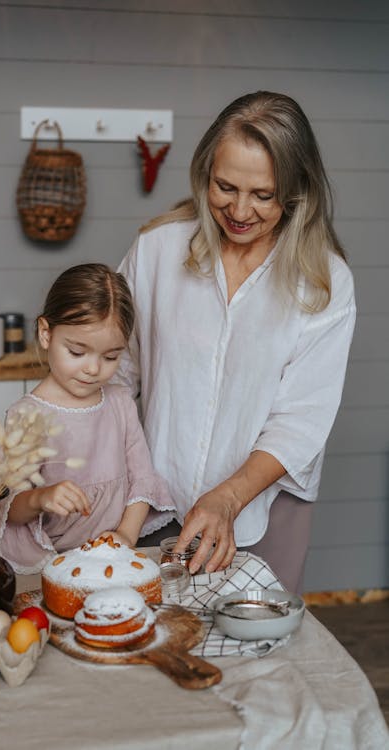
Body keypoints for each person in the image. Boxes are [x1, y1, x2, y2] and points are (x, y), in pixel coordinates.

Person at [115, 91, 356, 593]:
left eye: (263, 195)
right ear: (205, 172)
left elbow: (302, 418)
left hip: (265, 507)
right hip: (151, 501)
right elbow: (116, 375)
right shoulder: (157, 252)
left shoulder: (324, 281)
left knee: (256, 656)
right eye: (225, 186)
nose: (240, 210)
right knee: (149, 649)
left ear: (295, 191)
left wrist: (228, 498)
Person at [0, 263, 175, 572]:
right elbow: (10, 509)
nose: (93, 369)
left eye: (110, 356)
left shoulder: (119, 403)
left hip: (110, 560)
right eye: (77, 352)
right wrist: (40, 498)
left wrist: (125, 537)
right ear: (46, 333)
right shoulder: (28, 416)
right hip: (48, 568)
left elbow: (142, 481)